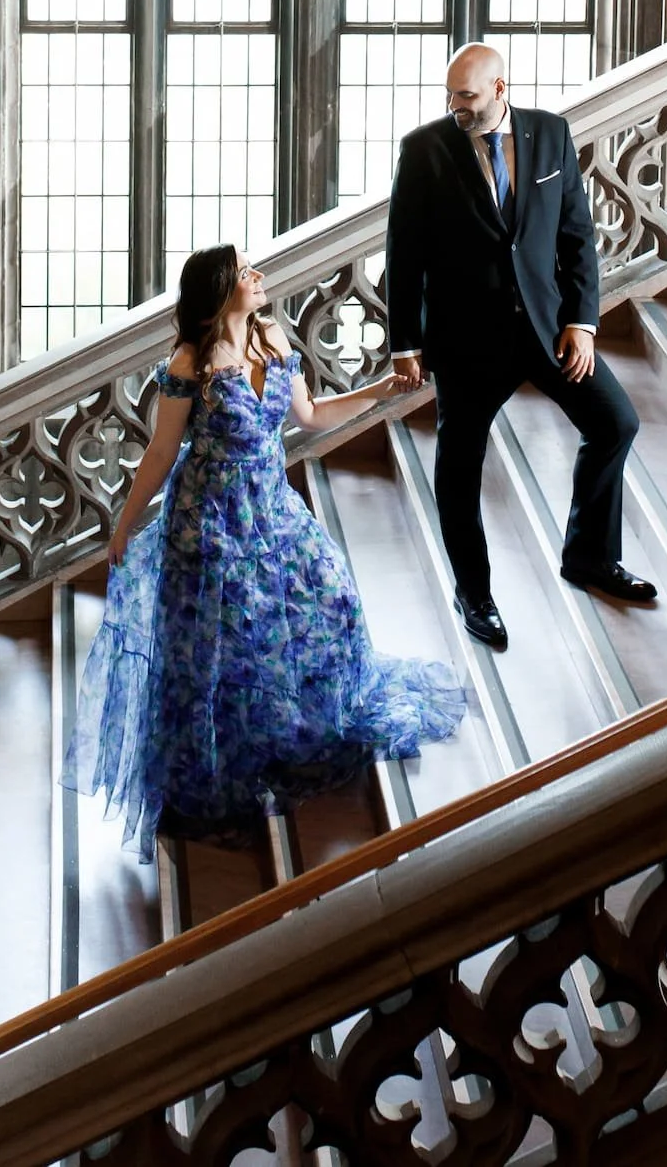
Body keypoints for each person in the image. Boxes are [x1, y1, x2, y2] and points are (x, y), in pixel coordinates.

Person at [77, 242, 465, 857]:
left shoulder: (274, 338)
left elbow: (308, 416)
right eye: (245, 271)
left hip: (272, 509)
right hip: (208, 525)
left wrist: (379, 390)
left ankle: (296, 731)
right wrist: (125, 526)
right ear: (220, 289)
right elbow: (160, 453)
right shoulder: (190, 364)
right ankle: (220, 760)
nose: (258, 277)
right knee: (220, 648)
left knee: (328, 600)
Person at [387, 42, 656, 650]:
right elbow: (404, 255)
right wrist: (404, 342)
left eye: (467, 96)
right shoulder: (423, 151)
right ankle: (473, 592)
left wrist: (582, 322)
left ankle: (589, 556)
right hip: (466, 342)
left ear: (500, 89)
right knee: (459, 470)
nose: (455, 106)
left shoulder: (551, 134)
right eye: (451, 95)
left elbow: (576, 237)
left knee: (616, 423)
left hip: (548, 329)